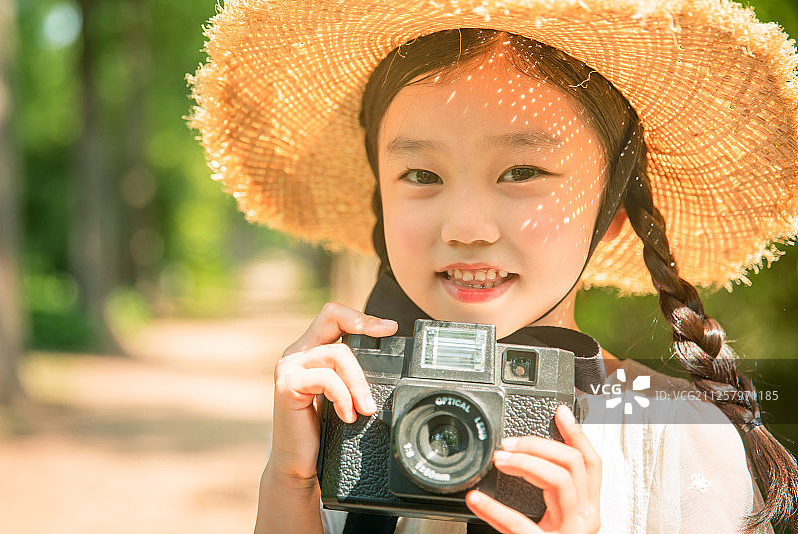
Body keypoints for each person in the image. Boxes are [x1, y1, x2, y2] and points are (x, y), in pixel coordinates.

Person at [188, 1, 798, 532]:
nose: (466, 228)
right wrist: (291, 485)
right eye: (421, 176)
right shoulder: (354, 407)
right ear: (381, 201)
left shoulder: (679, 442)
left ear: (612, 212)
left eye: (523, 173)